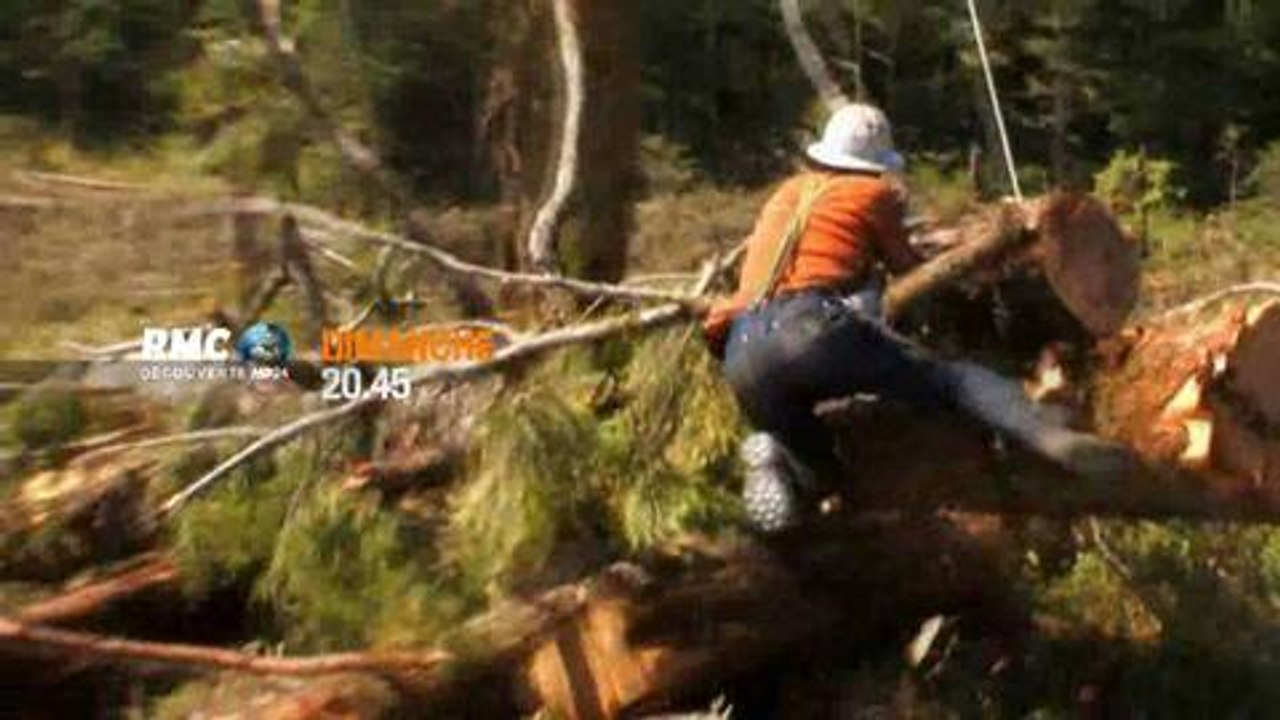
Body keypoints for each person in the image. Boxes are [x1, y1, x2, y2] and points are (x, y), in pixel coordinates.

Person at [704, 103, 1129, 533]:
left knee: (823, 469)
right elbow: (905, 265)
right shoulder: (871, 194)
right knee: (950, 379)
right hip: (808, 329)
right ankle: (1053, 437)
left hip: (742, 350)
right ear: (877, 162)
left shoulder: (786, 193)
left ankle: (780, 458)